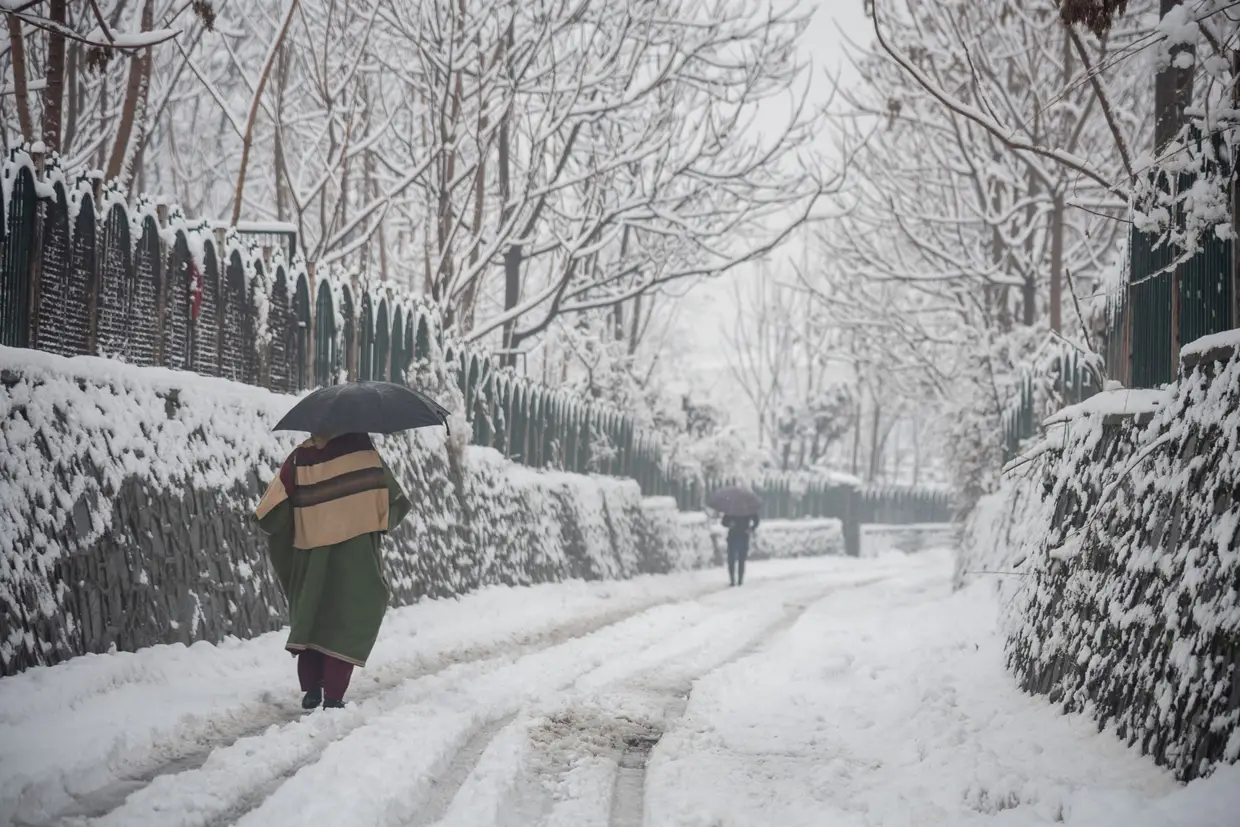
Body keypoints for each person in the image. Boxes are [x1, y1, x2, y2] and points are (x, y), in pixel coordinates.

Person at [255, 432, 410, 710]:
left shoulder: (299, 458)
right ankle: (334, 696)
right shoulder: (364, 454)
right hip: (357, 557)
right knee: (349, 620)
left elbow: (271, 510)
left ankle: (313, 688)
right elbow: (393, 502)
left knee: (314, 615)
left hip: (311, 554)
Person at [721, 514, 759, 586]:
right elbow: (723, 521)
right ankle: (732, 580)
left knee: (741, 559)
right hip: (733, 537)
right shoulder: (732, 509)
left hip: (743, 536)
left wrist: (751, 528)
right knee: (731, 559)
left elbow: (756, 520)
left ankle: (740, 580)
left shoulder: (747, 509)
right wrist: (729, 524)